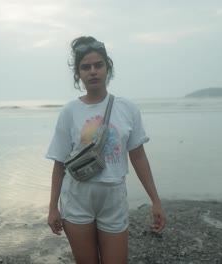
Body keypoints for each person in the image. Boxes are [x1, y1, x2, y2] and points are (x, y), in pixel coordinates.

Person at [45, 36, 165, 264]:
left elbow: (138, 156)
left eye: (98, 65)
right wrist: (53, 208)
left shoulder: (127, 108)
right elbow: (59, 163)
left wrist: (155, 200)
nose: (93, 71)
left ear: (107, 68)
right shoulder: (70, 111)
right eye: (85, 67)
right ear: (78, 74)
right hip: (77, 198)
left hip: (113, 198)